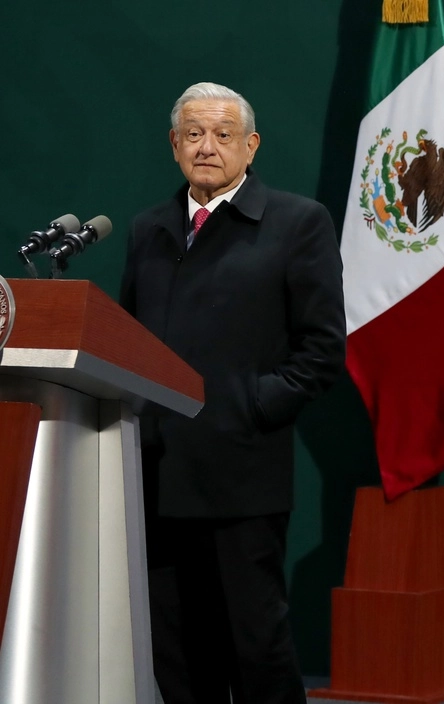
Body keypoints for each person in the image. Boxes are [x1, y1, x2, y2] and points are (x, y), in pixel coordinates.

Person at [119, 82, 346, 704]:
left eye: (223, 135)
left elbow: (322, 351)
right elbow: (127, 342)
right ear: (173, 145)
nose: (207, 147)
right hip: (158, 474)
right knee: (176, 650)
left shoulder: (298, 222)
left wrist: (248, 407)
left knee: (256, 646)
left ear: (251, 146)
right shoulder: (149, 229)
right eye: (193, 134)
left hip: (242, 472)